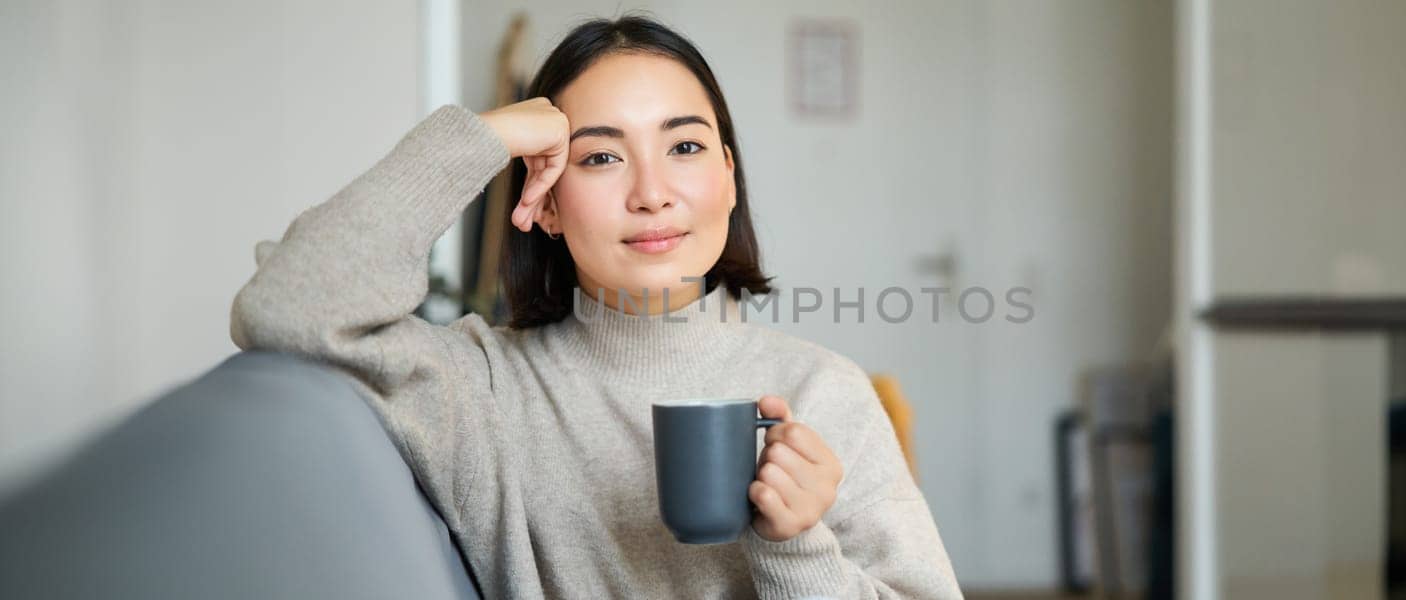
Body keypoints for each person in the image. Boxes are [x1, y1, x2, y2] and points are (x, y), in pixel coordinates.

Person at [230, 14, 959, 600]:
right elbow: (287, 306)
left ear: (729, 179)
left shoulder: (820, 392)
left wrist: (797, 544)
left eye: (685, 147)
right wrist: (481, 139)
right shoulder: (480, 388)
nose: (651, 192)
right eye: (601, 157)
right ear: (543, 203)